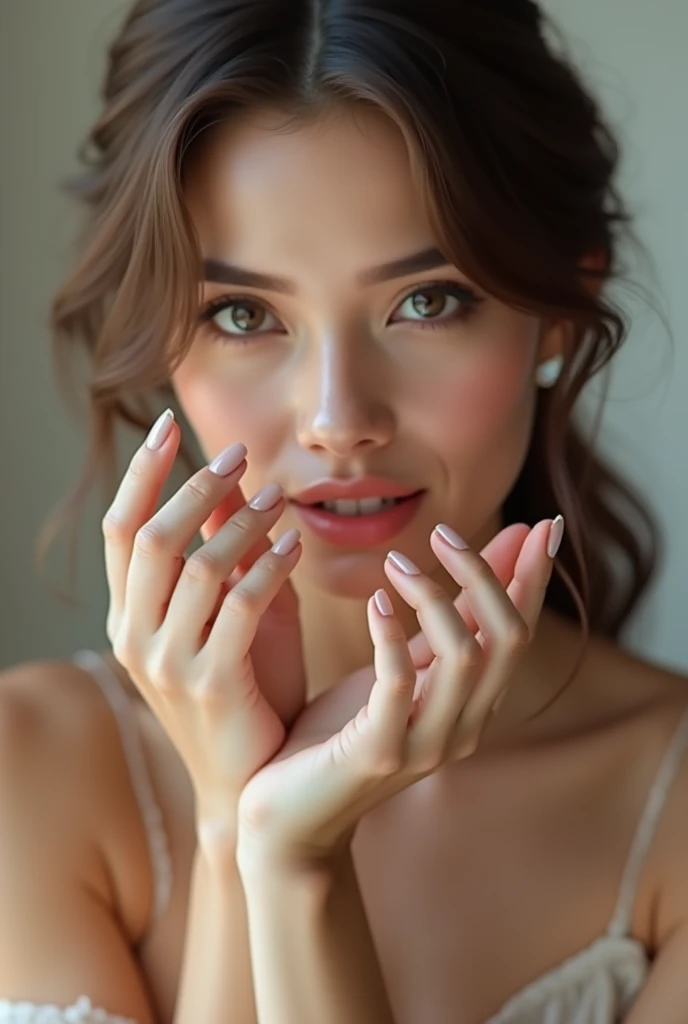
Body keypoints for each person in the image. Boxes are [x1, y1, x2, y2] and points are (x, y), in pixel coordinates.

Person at [0, 0, 686, 1021]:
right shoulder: (27, 771)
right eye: (242, 315)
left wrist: (297, 865)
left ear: (553, 310)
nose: (337, 421)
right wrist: (241, 831)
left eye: (426, 301)